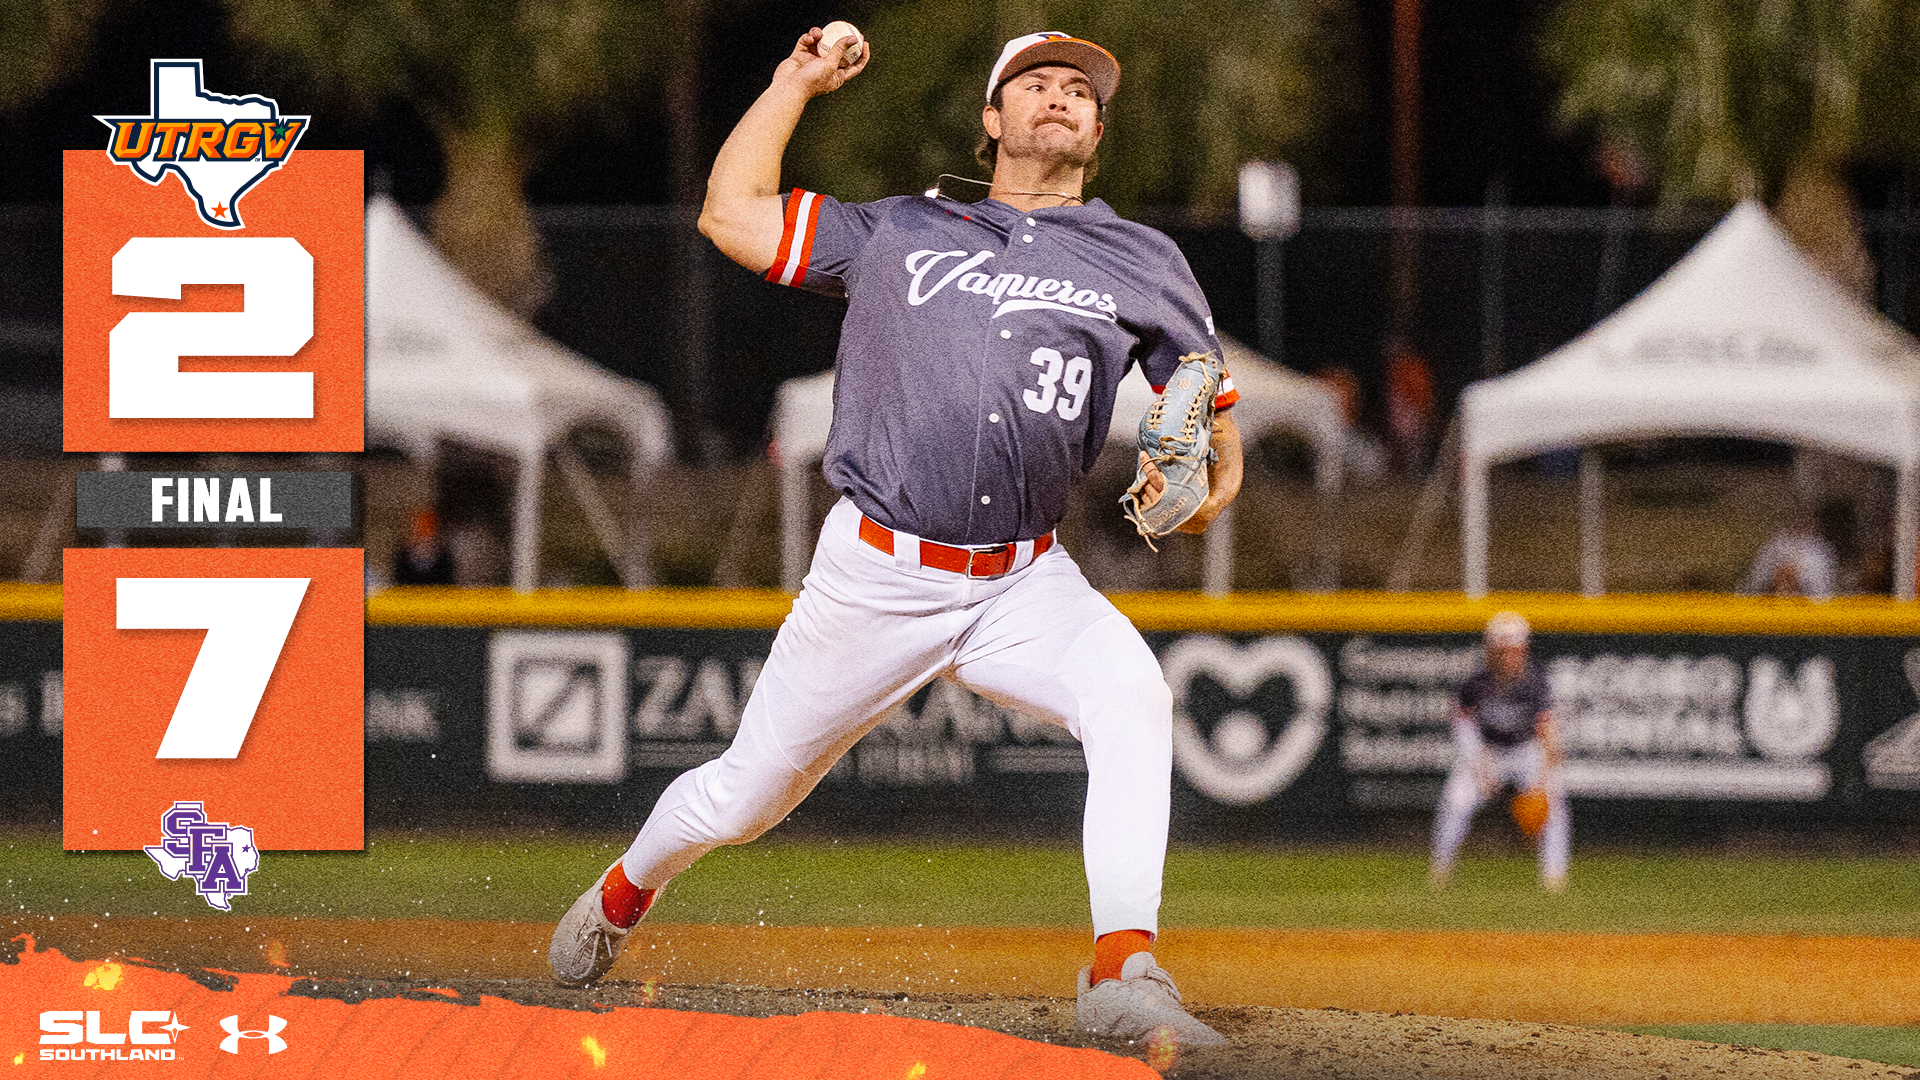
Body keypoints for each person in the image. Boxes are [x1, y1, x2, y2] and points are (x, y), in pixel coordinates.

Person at [546, 28, 1244, 1048]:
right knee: (746, 798)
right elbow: (729, 214)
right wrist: (794, 81)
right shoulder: (903, 230)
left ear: (1098, 129)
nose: (1058, 97)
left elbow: (1209, 417)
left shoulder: (1144, 261)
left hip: (1023, 579)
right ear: (992, 122)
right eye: (1034, 84)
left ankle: (1120, 969)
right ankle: (624, 889)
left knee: (1133, 693)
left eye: (1079, 92)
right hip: (876, 570)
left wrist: (1214, 472)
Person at [1429, 611, 1569, 893]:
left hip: (1525, 751)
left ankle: (1554, 876)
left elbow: (1547, 734)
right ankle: (1440, 868)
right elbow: (1463, 724)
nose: (1511, 656)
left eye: (1516, 650)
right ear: (1492, 650)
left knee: (1553, 806)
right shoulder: (1476, 683)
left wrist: (1542, 782)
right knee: (1456, 801)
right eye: (1504, 650)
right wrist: (1479, 765)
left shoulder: (1535, 681)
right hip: (1488, 751)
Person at [1741, 503, 1837, 599]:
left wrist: (1795, 577)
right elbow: (1755, 582)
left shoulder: (1820, 551)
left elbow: (1821, 594)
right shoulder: (1775, 546)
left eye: (1806, 519)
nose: (1801, 522)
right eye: (1797, 518)